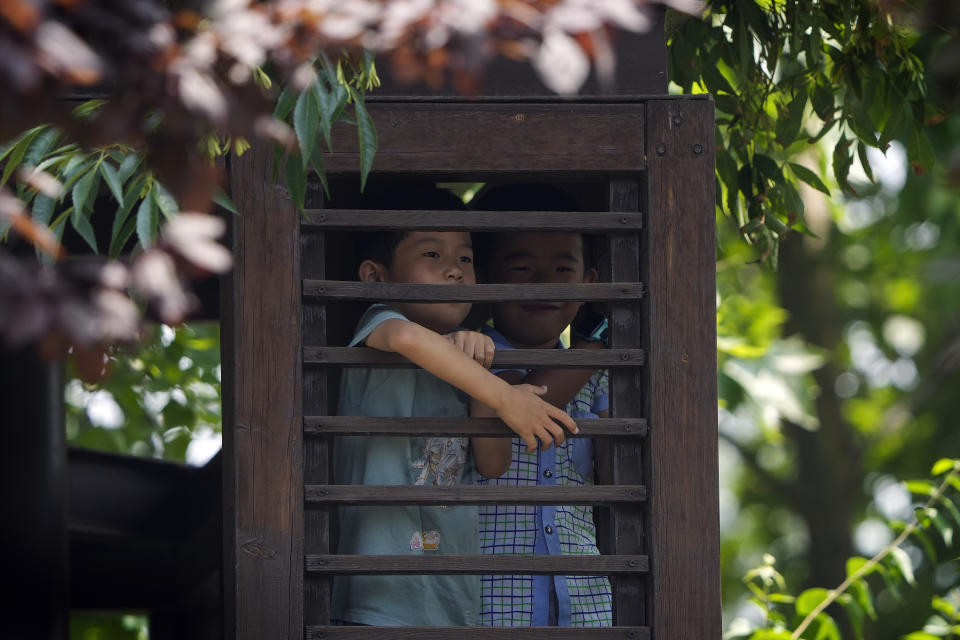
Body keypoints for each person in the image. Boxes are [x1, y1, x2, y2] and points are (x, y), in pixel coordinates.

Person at [331, 186, 578, 627]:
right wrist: (505, 397)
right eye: (432, 255)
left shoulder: (470, 360)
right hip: (379, 591)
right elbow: (409, 340)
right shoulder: (379, 322)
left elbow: (493, 464)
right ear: (375, 276)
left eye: (465, 259)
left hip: (452, 593)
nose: (455, 272)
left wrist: (486, 385)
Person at [472, 184, 613, 627]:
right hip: (490, 603)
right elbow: (529, 400)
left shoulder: (603, 380)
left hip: (583, 602)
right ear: (486, 278)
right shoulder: (471, 358)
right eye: (521, 267)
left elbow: (619, 471)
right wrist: (594, 347)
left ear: (588, 283)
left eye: (561, 267)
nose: (543, 282)